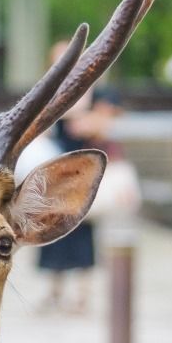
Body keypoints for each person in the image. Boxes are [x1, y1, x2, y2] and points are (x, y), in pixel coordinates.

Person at [33, 41, 126, 315]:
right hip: (56, 169)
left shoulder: (98, 90)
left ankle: (82, 293)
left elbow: (108, 122)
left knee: (83, 227)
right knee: (51, 226)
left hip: (85, 166)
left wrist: (86, 119)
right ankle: (54, 289)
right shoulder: (49, 92)